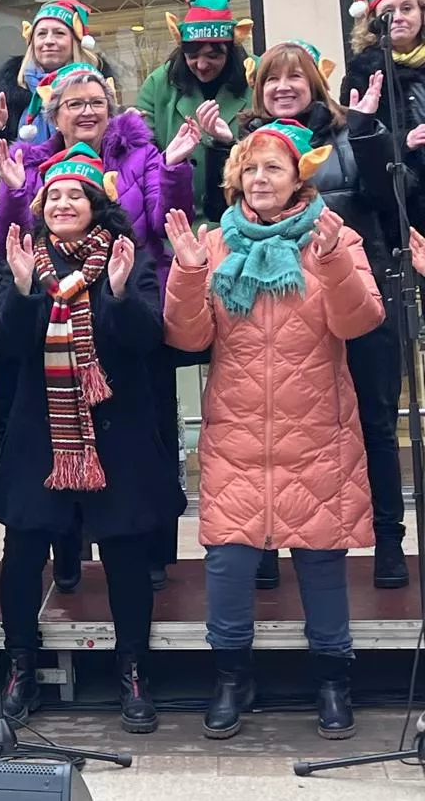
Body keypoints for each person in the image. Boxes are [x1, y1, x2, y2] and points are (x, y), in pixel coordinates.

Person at [164, 119, 383, 742]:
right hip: (236, 433)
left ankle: (334, 681)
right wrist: (187, 274)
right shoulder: (215, 244)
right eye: (251, 168)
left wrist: (334, 262)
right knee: (227, 564)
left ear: (297, 179)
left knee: (321, 561)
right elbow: (188, 338)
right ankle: (232, 678)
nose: (260, 178)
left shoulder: (332, 236)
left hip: (317, 431)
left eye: (273, 168)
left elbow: (360, 321)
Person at [198, 41, 404, 591]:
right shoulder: (246, 142)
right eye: (272, 79)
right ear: (259, 89)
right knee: (275, 428)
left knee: (374, 421)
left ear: (314, 83)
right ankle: (265, 542)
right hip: (277, 311)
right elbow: (219, 213)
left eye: (294, 77)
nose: (283, 88)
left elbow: (389, 199)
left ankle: (388, 541)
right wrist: (218, 150)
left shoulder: (349, 131)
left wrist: (368, 130)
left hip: (353, 290)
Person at [0, 144, 173, 735]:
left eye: (76, 194)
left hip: (115, 432)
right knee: (22, 553)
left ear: (97, 205)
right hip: (42, 433)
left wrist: (118, 294)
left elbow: (149, 341)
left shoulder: (126, 257)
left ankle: (133, 669)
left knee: (124, 554)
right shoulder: (24, 260)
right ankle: (21, 665)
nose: (63, 203)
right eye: (54, 196)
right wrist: (21, 290)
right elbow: (7, 350)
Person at [0, 62, 196, 592]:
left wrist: (175, 170)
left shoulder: (140, 154)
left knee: (139, 442)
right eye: (74, 103)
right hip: (56, 319)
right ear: (54, 114)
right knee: (55, 436)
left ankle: (148, 553)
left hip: (126, 295)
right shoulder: (32, 161)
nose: (86, 112)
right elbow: (17, 237)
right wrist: (15, 192)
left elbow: (165, 220)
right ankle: (67, 553)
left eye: (96, 102)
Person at [135, 0, 254, 219]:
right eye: (192, 55)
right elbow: (143, 157)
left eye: (213, 56)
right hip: (176, 221)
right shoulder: (157, 84)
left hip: (245, 219)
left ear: (231, 51)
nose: (201, 65)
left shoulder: (255, 78)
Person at [0, 0, 112, 177]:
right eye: (41, 34)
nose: (49, 41)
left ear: (76, 41)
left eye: (59, 33)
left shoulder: (98, 88)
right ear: (32, 42)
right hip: (28, 191)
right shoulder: (10, 93)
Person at [343, 0, 425, 180]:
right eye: (388, 12)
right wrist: (404, 142)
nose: (398, 17)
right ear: (374, 22)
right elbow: (356, 145)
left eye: (407, 8)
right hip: (398, 189)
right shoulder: (362, 71)